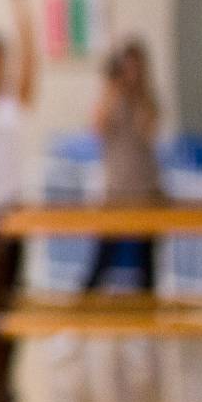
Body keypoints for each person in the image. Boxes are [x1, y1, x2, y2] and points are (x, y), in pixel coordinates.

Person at [82, 38, 163, 293]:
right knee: (101, 261)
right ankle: (81, 314)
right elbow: (97, 126)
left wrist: (138, 93)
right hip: (116, 192)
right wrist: (112, 87)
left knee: (147, 265)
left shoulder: (147, 100)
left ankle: (148, 320)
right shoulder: (110, 98)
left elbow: (148, 127)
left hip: (146, 190)